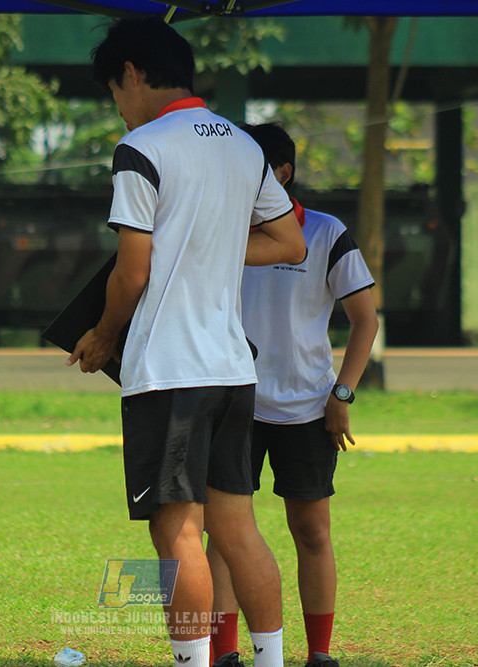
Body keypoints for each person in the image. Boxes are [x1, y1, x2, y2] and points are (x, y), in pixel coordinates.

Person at [69, 18, 306, 667]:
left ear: (133, 74)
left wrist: (102, 336)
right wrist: (213, 248)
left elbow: (133, 272)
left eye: (115, 93)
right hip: (233, 369)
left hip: (170, 371)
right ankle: (272, 659)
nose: (119, 108)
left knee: (178, 533)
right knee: (239, 530)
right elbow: (291, 243)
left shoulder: (140, 147)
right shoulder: (243, 146)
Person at [206, 123, 379, 667]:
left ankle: (319, 654)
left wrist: (341, 394)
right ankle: (224, 654)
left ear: (281, 174)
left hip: (308, 408)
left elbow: (365, 319)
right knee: (224, 535)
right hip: (234, 403)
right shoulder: (219, 230)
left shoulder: (326, 233)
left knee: (312, 531)